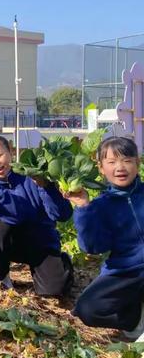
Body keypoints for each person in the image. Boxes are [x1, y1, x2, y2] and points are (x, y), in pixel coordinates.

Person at [67, 137, 144, 341]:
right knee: (87, 308)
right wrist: (83, 207)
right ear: (101, 168)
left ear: (138, 163)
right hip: (125, 271)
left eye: (127, 160)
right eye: (111, 162)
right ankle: (134, 319)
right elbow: (93, 246)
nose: (120, 167)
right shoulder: (101, 205)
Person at [0, 136, 73, 295]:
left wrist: (45, 187)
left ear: (11, 152)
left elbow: (62, 214)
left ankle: (64, 263)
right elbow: (16, 215)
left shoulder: (33, 175)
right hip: (13, 243)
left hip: (42, 241)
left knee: (53, 291)